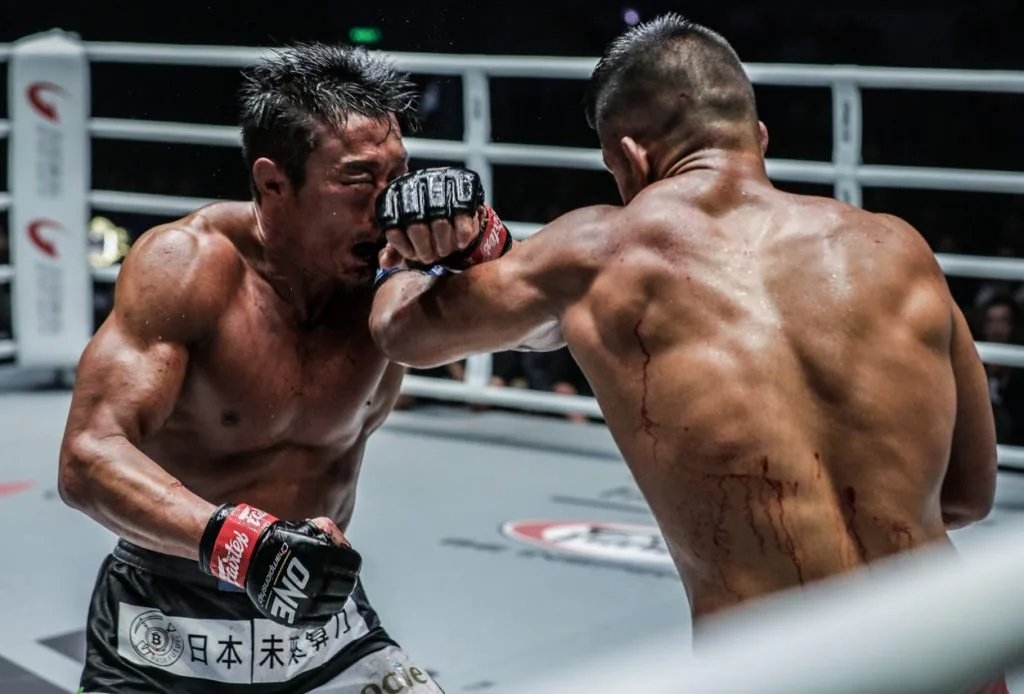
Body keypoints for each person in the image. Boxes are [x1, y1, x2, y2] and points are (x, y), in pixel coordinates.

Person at [369, 14, 1004, 693]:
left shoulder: (597, 252)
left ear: (629, 157)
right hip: (949, 654)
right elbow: (970, 494)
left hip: (783, 672)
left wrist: (404, 254)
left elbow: (402, 334)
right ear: (759, 136)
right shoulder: (898, 247)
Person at [58, 42, 445, 693]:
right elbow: (88, 457)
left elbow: (543, 324)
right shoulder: (187, 267)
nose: (387, 206)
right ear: (274, 183)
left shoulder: (395, 272)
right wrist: (241, 544)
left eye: (398, 176)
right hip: (165, 622)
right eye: (358, 180)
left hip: (320, 626)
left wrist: (480, 244)